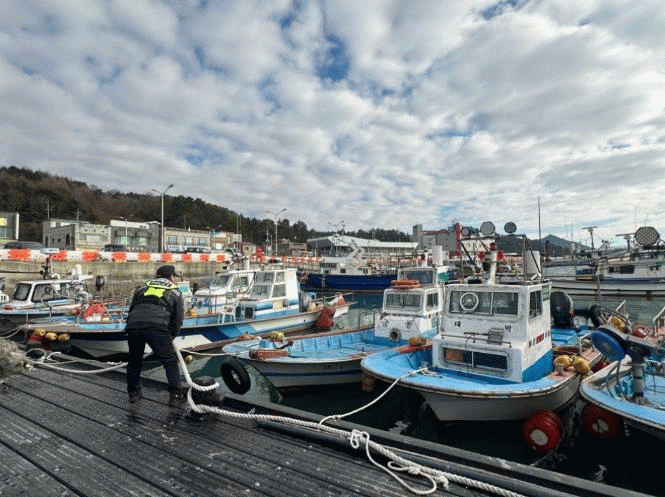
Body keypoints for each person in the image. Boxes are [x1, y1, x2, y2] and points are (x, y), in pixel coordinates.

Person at [125, 265, 185, 407]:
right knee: (169, 361)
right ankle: (176, 395)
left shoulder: (141, 289)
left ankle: (133, 393)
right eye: (174, 276)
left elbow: (132, 309)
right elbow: (178, 319)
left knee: (134, 360)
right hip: (157, 327)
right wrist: (171, 336)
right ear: (171, 277)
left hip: (133, 326)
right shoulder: (175, 292)